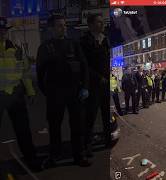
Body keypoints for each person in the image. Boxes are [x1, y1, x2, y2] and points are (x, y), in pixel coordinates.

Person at [36, 15, 90, 167]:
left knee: (77, 125)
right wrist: (48, 92)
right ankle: (55, 156)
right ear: (52, 28)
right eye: (60, 25)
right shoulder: (45, 47)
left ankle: (79, 156)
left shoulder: (73, 44)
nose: (64, 28)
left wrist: (85, 87)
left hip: (75, 92)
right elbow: (40, 74)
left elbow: (84, 66)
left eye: (65, 25)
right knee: (54, 127)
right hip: (55, 92)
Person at [0, 16, 41, 171]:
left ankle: (32, 161)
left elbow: (24, 73)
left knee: (23, 131)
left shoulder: (16, 49)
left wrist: (30, 92)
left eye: (4, 30)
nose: (2, 33)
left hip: (15, 93)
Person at [80, 14, 110, 158]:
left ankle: (108, 140)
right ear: (90, 25)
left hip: (105, 85)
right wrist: (99, 78)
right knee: (90, 116)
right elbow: (84, 65)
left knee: (106, 115)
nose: (102, 24)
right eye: (99, 22)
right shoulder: (84, 41)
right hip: (93, 85)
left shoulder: (105, 40)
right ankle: (87, 145)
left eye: (102, 22)